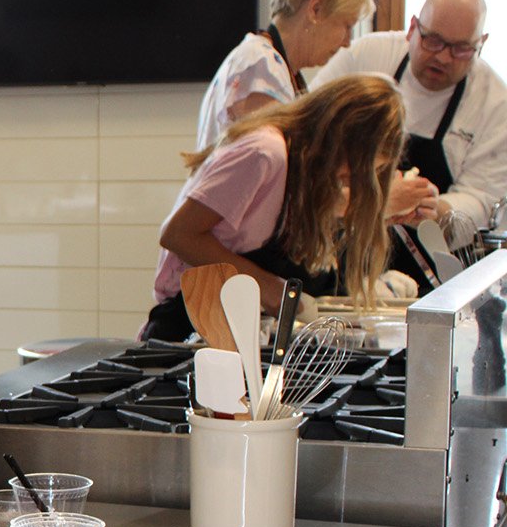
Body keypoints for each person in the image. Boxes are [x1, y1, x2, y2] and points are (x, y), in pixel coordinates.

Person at [142, 74, 407, 341]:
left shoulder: (302, 173)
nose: (349, 180)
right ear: (336, 134)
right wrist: (271, 290)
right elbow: (178, 234)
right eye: (354, 167)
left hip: (232, 325)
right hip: (186, 328)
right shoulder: (265, 153)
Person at [313, 0, 507, 291]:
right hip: (337, 248)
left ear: (481, 45)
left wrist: (437, 208)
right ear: (413, 28)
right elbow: (311, 134)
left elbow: (483, 197)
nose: (443, 57)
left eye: (460, 49)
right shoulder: (366, 57)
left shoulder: (495, 104)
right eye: (433, 41)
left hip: (426, 265)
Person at [196, 0, 373, 150]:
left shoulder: (270, 62)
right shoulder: (260, 65)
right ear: (316, 9)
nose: (347, 42)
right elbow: (270, 161)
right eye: (347, 26)